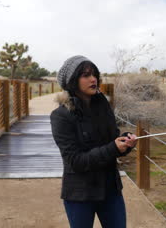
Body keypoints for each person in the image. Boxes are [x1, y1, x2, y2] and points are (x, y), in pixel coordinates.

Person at [50, 55, 138, 228]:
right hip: (79, 195)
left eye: (94, 74)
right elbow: (75, 161)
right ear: (72, 81)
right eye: (85, 75)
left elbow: (113, 140)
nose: (93, 79)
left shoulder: (103, 105)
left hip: (110, 190)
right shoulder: (61, 116)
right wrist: (114, 148)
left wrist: (126, 143)